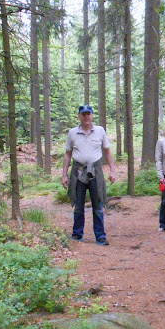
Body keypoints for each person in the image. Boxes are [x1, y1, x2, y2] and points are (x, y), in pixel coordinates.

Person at [62, 105, 116, 245]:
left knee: (97, 205)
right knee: (78, 205)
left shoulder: (100, 131)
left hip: (95, 171)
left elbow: (107, 151)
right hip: (78, 171)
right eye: (83, 114)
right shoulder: (72, 133)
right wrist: (64, 175)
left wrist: (112, 171)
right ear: (79, 116)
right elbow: (67, 154)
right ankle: (77, 235)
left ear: (92, 115)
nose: (86, 117)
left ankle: (100, 236)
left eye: (88, 114)